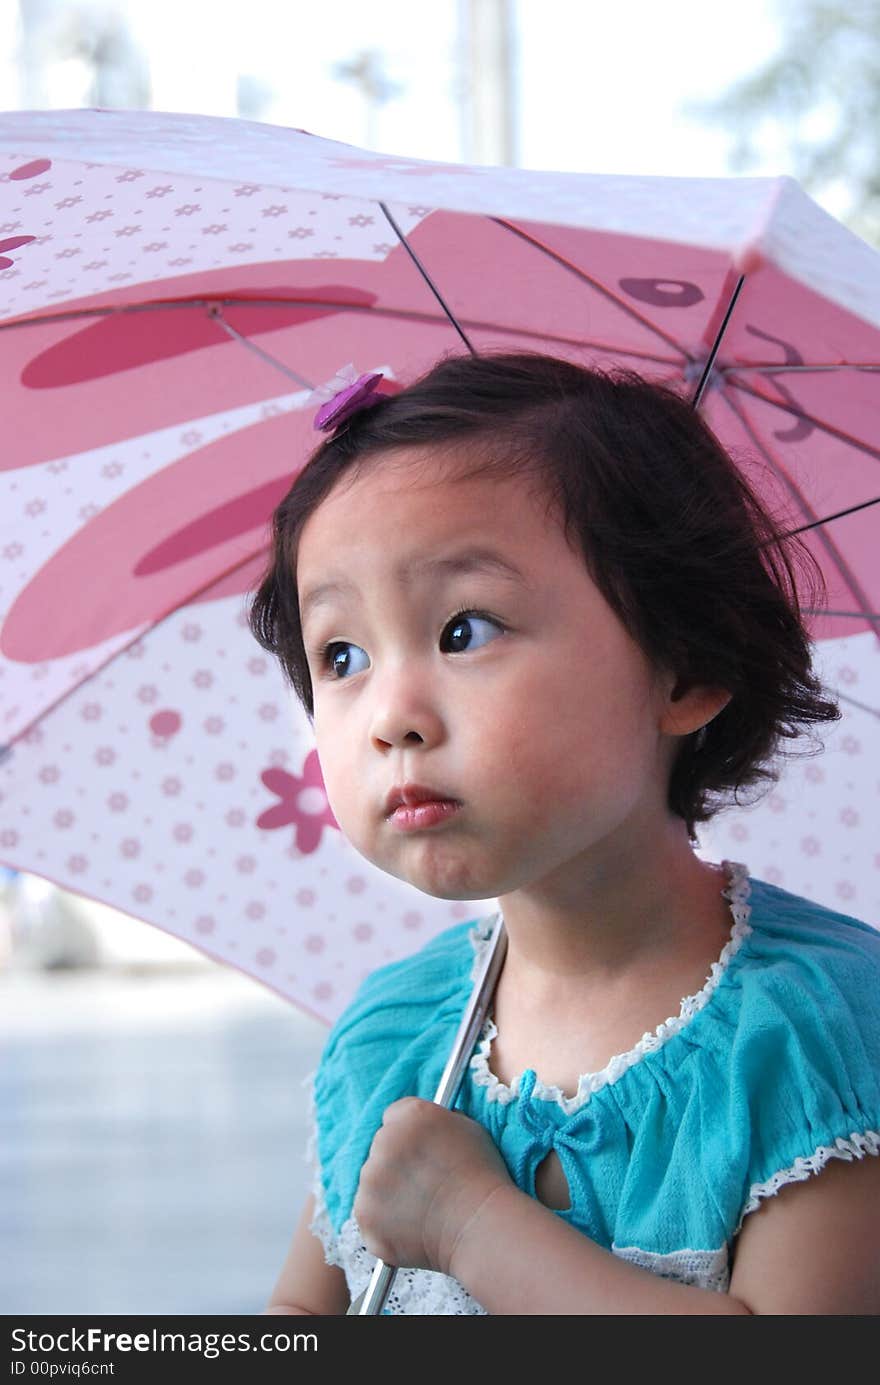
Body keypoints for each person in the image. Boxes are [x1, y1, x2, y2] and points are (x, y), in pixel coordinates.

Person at [248, 351, 880, 1315]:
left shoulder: (804, 1036)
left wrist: (472, 1224)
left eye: (465, 630)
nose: (391, 716)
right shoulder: (397, 1037)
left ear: (681, 671)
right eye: (342, 654)